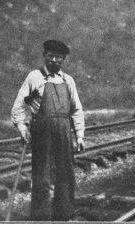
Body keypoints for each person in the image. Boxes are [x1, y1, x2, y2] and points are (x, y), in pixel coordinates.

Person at [11, 39, 85, 221]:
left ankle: (64, 215)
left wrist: (80, 135)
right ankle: (40, 218)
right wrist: (21, 127)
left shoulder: (68, 80)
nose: (54, 61)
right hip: (42, 132)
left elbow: (76, 109)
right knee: (42, 177)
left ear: (63, 60)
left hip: (64, 131)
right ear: (44, 56)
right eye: (51, 56)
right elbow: (19, 105)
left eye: (58, 58)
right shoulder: (34, 77)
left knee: (65, 175)